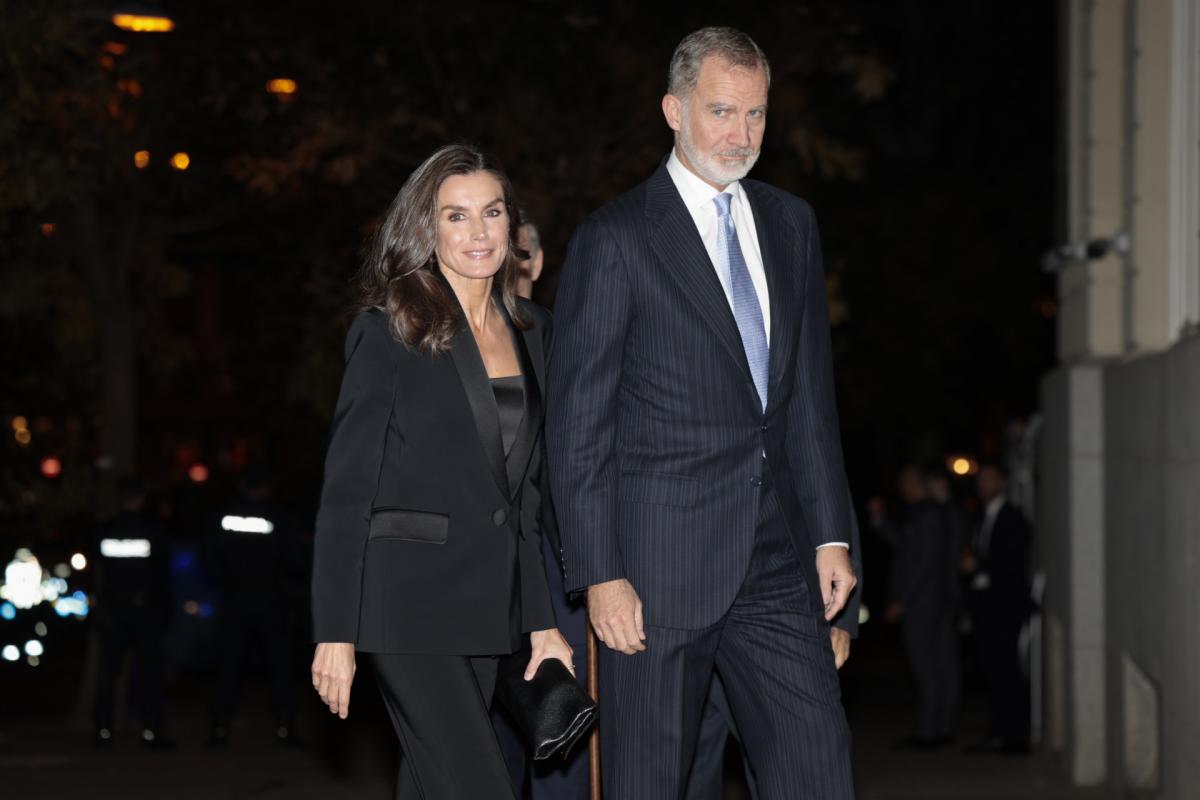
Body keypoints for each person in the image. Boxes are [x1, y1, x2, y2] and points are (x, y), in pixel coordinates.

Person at [547, 27, 858, 798]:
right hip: (657, 572)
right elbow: (579, 426)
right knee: (653, 783)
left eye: (755, 114)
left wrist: (832, 536)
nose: (740, 134)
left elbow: (809, 402)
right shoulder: (616, 238)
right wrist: (600, 573)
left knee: (817, 769)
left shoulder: (791, 224)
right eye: (721, 111)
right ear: (674, 111)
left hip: (779, 562)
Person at [309, 144, 574, 800]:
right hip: (406, 606)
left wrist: (541, 623)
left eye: (492, 212)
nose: (478, 232)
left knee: (432, 785)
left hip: (488, 608)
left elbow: (525, 495)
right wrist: (335, 632)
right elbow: (347, 491)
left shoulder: (534, 330)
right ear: (427, 229)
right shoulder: (389, 330)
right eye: (456, 216)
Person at [493, 217, 592, 799]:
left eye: (520, 249)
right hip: (482, 571)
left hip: (554, 566)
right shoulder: (459, 342)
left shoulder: (563, 338)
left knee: (558, 728)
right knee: (486, 745)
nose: (509, 258)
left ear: (537, 259)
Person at [205, 465, 305, 748]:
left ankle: (220, 728)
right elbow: (295, 561)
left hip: (234, 600)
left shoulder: (224, 517)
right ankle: (284, 727)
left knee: (228, 665)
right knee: (279, 665)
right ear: (266, 488)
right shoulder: (279, 518)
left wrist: (224, 583)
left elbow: (208, 557)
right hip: (270, 600)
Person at [880, 465, 960, 748]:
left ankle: (931, 731)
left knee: (928, 667)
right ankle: (938, 727)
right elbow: (908, 546)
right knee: (939, 665)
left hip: (923, 604)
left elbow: (922, 563)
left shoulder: (927, 514)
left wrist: (902, 598)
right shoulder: (932, 513)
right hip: (936, 602)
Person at [91, 475, 174, 749]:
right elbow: (163, 574)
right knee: (149, 674)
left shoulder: (104, 531)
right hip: (145, 614)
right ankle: (151, 731)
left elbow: (96, 572)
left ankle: (103, 732)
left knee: (108, 673)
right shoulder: (154, 531)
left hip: (113, 613)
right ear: (141, 498)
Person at [962, 462, 1032, 754]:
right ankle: (998, 732)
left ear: (1002, 482)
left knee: (1007, 670)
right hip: (986, 604)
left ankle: (1015, 737)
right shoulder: (982, 516)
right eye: (981, 480)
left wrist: (978, 564)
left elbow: (1011, 561)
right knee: (992, 670)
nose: (983, 485)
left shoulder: (1012, 517)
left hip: (1005, 606)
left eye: (989, 479)